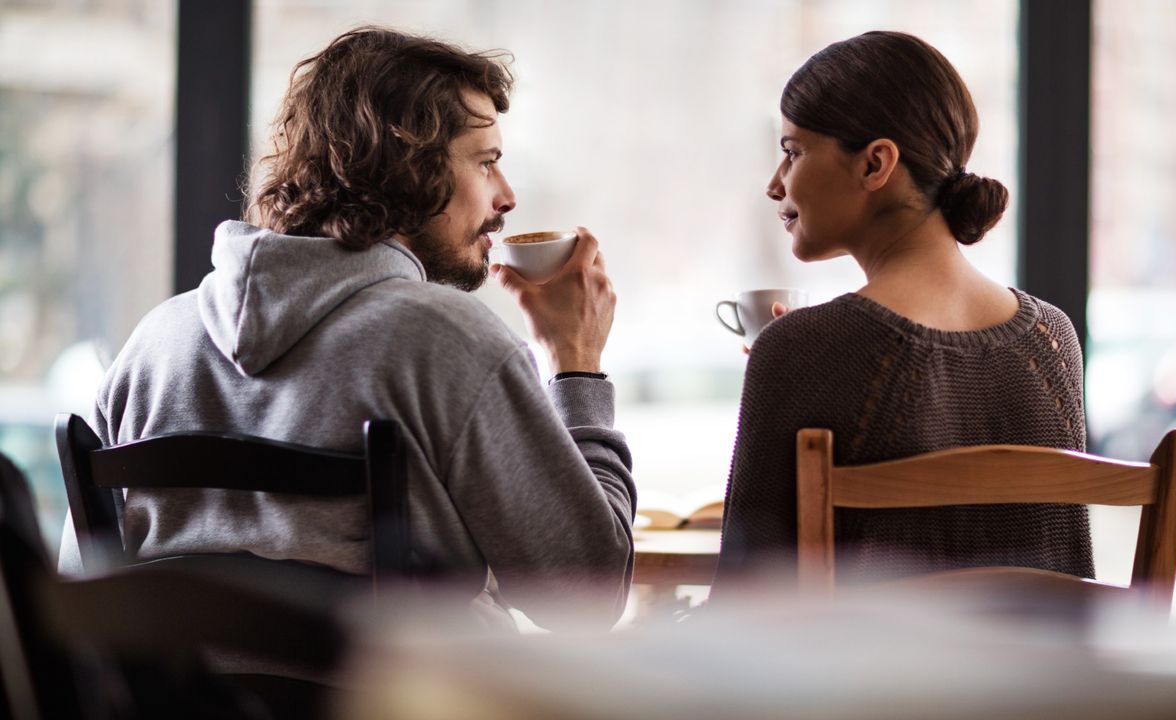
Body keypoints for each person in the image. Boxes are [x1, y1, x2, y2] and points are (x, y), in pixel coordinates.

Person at [58, 27, 635, 631]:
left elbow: (80, 597)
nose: (507, 196)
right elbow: (584, 598)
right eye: (486, 162)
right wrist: (575, 362)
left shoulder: (153, 346)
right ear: (411, 163)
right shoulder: (449, 341)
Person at [712, 31, 1094, 593]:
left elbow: (745, 605)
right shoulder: (1051, 338)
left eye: (792, 152)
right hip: (1044, 681)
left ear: (875, 164)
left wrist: (790, 366)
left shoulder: (800, 348)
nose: (775, 185)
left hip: (877, 683)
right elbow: (1066, 575)